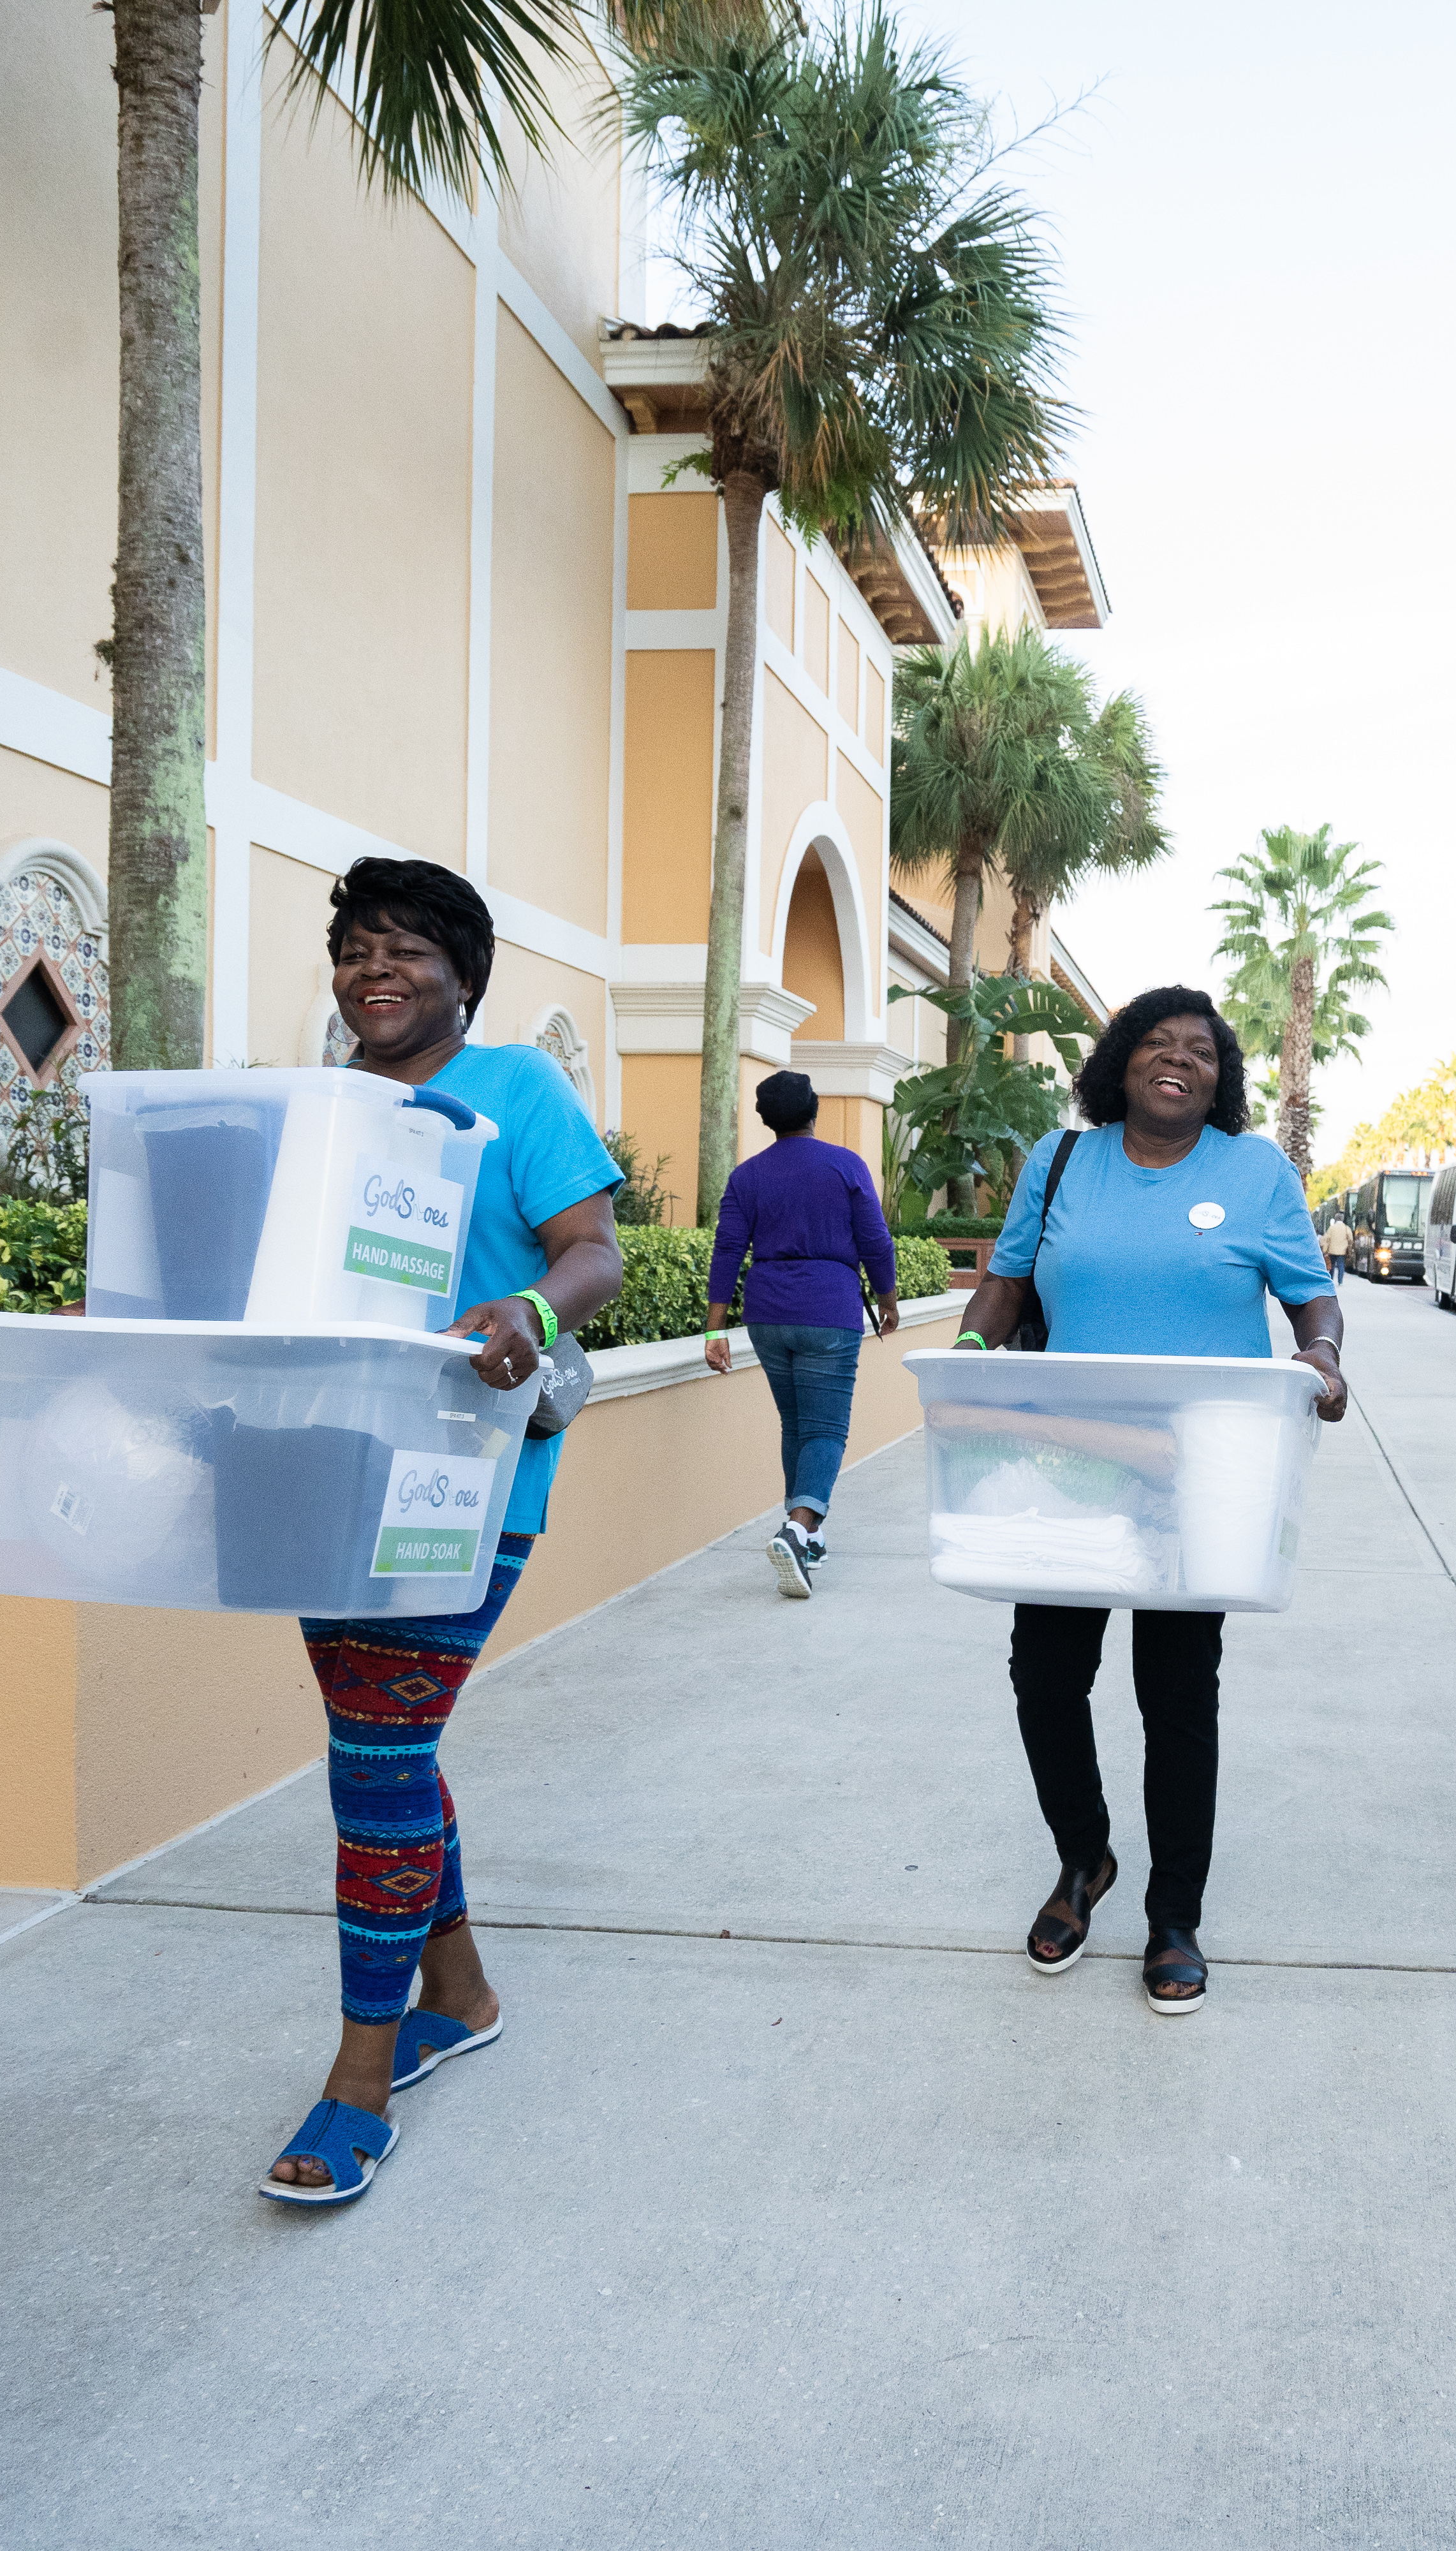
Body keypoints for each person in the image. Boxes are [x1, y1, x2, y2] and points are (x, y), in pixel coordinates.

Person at [260, 858, 628, 2207]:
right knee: (386, 1745)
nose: (377, 967)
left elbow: (596, 1249)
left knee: (378, 1751)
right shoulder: (319, 1109)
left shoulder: (520, 1089)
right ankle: (458, 1990)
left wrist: (530, 1308)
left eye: (406, 947)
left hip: (464, 1479)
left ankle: (360, 2073)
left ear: (462, 975)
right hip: (326, 1464)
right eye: (357, 946)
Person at [951, 986, 1347, 2016]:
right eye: (1159, 1045)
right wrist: (967, 1357)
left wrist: (1324, 1355)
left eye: (1203, 1052)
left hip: (1203, 1479)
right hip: (1065, 1465)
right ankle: (1085, 1861)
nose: (1180, 1061)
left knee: (1177, 1698)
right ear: (1121, 1061)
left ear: (1223, 1079)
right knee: (1044, 1675)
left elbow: (1311, 1297)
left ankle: (1176, 1917)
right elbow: (1004, 1282)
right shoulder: (1064, 1160)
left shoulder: (1256, 1172)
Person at [703, 1069, 899, 1598]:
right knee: (827, 1428)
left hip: (766, 1313)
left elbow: (727, 1250)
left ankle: (808, 1539)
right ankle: (797, 1529)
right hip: (828, 1309)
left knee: (796, 1424)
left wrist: (714, 1331)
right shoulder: (845, 1165)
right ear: (814, 1109)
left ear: (767, 1119)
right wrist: (887, 1298)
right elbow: (876, 1242)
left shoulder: (748, 1175)